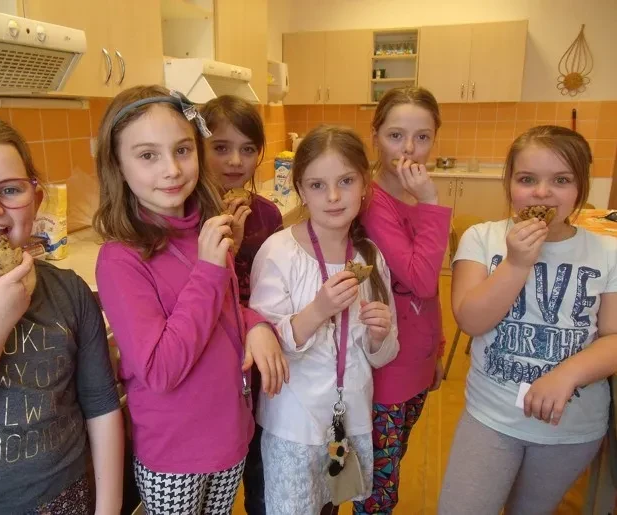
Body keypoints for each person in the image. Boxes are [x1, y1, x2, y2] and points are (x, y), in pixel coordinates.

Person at [93, 85, 289, 515]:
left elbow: (222, 311)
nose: (171, 170)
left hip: (230, 435)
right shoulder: (120, 258)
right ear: (117, 165)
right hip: (176, 453)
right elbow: (160, 370)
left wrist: (255, 323)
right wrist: (209, 268)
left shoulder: (206, 227)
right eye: (148, 155)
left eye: (182, 150)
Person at [0, 115, 124, 514]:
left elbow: (102, 409)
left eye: (10, 189)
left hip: (65, 498)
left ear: (35, 199)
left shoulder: (70, 291)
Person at [438, 125, 617, 514]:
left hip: (570, 427)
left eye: (561, 180)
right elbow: (471, 320)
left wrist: (567, 374)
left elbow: (613, 336)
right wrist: (517, 263)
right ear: (509, 183)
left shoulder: (607, 251)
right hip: (491, 416)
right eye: (527, 179)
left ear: (581, 187)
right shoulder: (482, 238)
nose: (542, 193)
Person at [249, 125, 399, 514]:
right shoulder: (279, 252)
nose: (333, 196)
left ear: (364, 184)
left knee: (330, 505)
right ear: (300, 189)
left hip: (347, 417)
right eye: (317, 185)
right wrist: (318, 310)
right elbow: (266, 346)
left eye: (345, 181)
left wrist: (379, 336)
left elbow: (383, 353)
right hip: (294, 425)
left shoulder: (370, 257)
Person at [355, 87, 451, 514]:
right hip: (387, 371)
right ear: (374, 135)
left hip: (418, 361)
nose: (409, 149)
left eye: (422, 137)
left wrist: (438, 349)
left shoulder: (412, 199)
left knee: (391, 469)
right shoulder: (374, 203)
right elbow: (423, 280)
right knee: (377, 490)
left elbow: (429, 299)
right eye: (396, 135)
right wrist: (431, 202)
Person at [201, 94, 283, 515]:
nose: (236, 161)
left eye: (248, 149)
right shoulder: (189, 217)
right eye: (221, 147)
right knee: (218, 472)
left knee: (261, 466)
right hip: (214, 364)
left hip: (262, 359)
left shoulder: (268, 215)